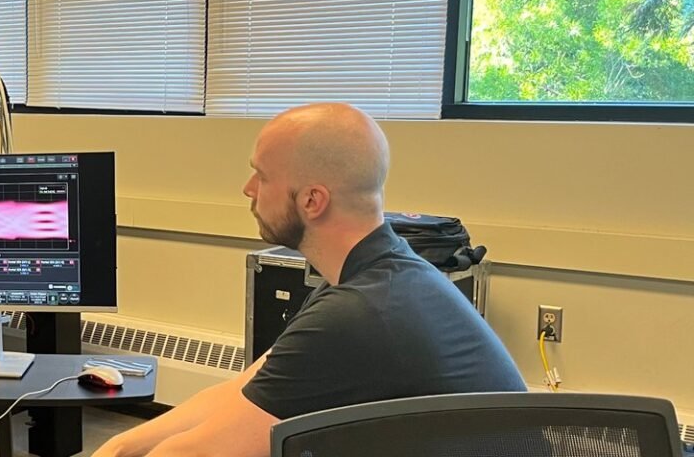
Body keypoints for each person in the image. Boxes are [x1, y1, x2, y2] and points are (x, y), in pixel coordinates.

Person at [94, 103, 525, 457]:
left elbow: (195, 453)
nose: (248, 188)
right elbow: (241, 391)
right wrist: (120, 446)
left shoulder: (359, 313)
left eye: (262, 175)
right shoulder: (370, 274)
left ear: (312, 201)